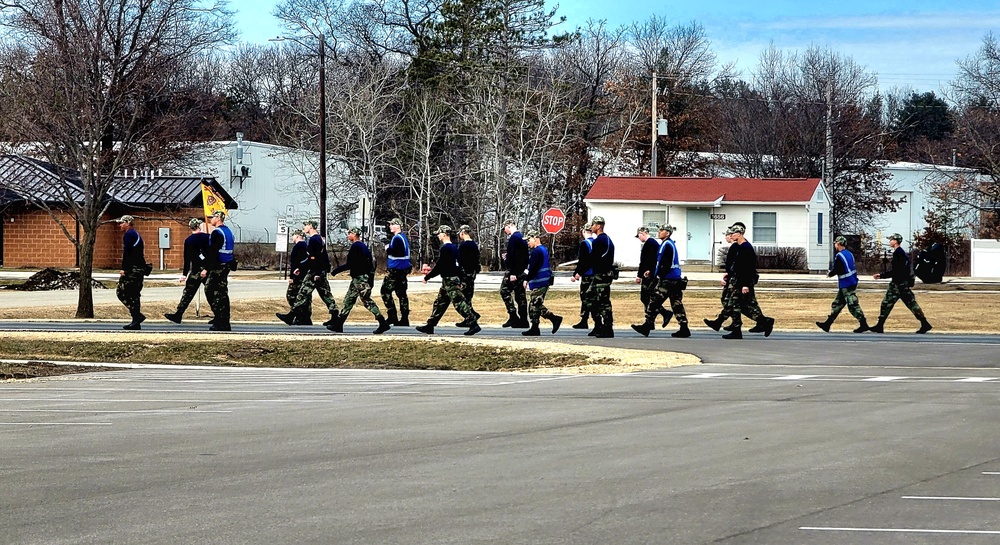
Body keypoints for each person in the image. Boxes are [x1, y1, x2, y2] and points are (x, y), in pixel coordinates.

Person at [415, 225, 481, 336]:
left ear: (444, 234)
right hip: (449, 279)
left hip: (450, 279)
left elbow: (440, 266)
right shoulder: (454, 248)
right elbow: (459, 265)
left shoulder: (446, 248)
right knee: (440, 303)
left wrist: (427, 277)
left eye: (439, 234)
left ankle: (473, 323)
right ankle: (430, 325)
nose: (438, 236)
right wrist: (462, 279)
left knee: (458, 303)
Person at [327, 228, 390, 334]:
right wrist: (370, 279)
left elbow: (350, 264)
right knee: (348, 300)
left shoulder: (356, 247)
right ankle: (339, 324)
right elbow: (371, 264)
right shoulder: (364, 247)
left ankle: (382, 322)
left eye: (349, 233)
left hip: (360, 279)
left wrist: (336, 271)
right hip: (359, 278)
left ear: (354, 234)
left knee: (366, 301)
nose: (348, 236)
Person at [631, 224, 690, 338]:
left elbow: (665, 264)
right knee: (676, 304)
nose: (659, 232)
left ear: (667, 233)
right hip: (675, 278)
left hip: (668, 279)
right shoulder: (667, 244)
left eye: (661, 230)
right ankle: (684, 327)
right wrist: (653, 272)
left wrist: (658, 275)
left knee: (653, 301)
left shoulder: (667, 245)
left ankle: (647, 326)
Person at [277, 220, 338, 327]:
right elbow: (319, 258)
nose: (304, 228)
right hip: (319, 270)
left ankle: (291, 316)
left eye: (305, 226)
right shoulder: (318, 239)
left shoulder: (314, 240)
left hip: (315, 271)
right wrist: (302, 268)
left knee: (303, 293)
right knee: (325, 294)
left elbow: (315, 258)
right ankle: (335, 316)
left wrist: (316, 273)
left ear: (311, 226)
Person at [721, 223, 774, 340]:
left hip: (742, 282)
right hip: (737, 280)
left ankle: (738, 329)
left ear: (739, 234)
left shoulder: (746, 248)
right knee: (742, 305)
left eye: (733, 233)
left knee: (736, 304)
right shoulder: (739, 247)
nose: (730, 235)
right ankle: (763, 322)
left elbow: (748, 268)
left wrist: (745, 284)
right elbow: (736, 265)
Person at [871, 233, 932, 334]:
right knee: (910, 304)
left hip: (897, 284)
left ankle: (880, 325)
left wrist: (881, 276)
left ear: (895, 241)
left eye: (891, 239)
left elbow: (896, 271)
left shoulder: (898, 254)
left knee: (887, 304)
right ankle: (924, 323)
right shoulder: (901, 253)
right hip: (902, 283)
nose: (890, 241)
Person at [816, 236, 869, 333]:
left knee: (852, 305)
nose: (835, 245)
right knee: (838, 304)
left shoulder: (840, 256)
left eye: (836, 243)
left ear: (839, 244)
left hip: (846, 283)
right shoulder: (849, 254)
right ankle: (827, 324)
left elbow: (838, 269)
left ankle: (863, 324)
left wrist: (830, 274)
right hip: (851, 281)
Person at [164, 218, 210, 324]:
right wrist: (207, 267)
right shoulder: (208, 238)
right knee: (211, 293)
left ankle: (178, 314)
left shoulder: (188, 241)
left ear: (190, 228)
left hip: (195, 270)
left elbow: (187, 258)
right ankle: (218, 315)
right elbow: (212, 253)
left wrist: (184, 274)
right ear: (200, 226)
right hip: (208, 269)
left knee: (188, 293)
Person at [522, 229, 562, 336]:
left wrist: (526, 279)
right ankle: (535, 328)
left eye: (529, 240)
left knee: (535, 304)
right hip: (543, 282)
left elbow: (534, 268)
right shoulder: (543, 249)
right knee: (534, 305)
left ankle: (554, 319)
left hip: (540, 283)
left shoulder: (536, 251)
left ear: (535, 238)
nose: (528, 242)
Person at [201, 210, 235, 331]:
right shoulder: (228, 232)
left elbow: (213, 252)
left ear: (218, 218)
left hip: (218, 266)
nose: (210, 220)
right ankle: (224, 319)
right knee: (222, 293)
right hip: (226, 265)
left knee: (210, 290)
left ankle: (220, 319)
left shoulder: (217, 233)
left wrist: (206, 268)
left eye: (212, 218)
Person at [704, 227, 742, 333]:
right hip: (733, 278)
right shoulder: (735, 247)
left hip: (736, 280)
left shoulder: (737, 247)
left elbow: (735, 265)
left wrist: (730, 278)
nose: (726, 237)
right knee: (733, 303)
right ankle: (735, 324)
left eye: (728, 235)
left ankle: (722, 323)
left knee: (731, 303)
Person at [115, 215, 148, 330]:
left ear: (128, 223)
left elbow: (127, 253)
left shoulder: (129, 235)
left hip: (133, 270)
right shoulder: (135, 234)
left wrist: (124, 268)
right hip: (138, 269)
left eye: (121, 223)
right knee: (134, 294)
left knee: (122, 292)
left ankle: (137, 316)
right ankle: (136, 320)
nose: (119, 225)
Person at [586, 216, 616, 338]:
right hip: (602, 273)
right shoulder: (607, 239)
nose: (591, 227)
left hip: (602, 275)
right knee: (591, 297)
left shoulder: (600, 241)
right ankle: (599, 325)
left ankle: (607, 327)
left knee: (603, 301)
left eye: (593, 225)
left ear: (598, 226)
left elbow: (593, 258)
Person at [380, 217, 412, 326]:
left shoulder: (397, 238)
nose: (390, 226)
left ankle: (392, 316)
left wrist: (388, 248)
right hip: (403, 269)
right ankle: (404, 318)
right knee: (402, 294)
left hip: (395, 270)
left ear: (398, 226)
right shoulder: (402, 238)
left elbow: (398, 252)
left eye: (392, 224)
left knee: (385, 291)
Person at [500, 220, 530, 328]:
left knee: (504, 291)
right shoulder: (522, 238)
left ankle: (513, 316)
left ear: (509, 226)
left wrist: (512, 272)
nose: (505, 231)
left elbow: (514, 256)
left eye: (505, 229)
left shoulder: (513, 238)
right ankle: (523, 320)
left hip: (514, 271)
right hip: (521, 271)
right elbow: (523, 256)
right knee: (520, 296)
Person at [635, 226, 664, 323]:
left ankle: (663, 313)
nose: (639, 238)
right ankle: (649, 321)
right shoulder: (651, 243)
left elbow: (647, 261)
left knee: (646, 297)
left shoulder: (650, 244)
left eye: (638, 236)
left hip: (649, 275)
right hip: (650, 273)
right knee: (648, 298)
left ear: (642, 233)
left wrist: (640, 275)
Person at [283, 229, 312, 324]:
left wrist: (292, 276)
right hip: (304, 274)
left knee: (291, 295)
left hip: (298, 276)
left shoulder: (299, 246)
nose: (292, 238)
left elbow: (296, 262)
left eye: (293, 236)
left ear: (298, 236)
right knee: (305, 296)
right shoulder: (306, 246)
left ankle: (300, 316)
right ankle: (306, 317)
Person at [455, 225, 481, 327]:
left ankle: (471, 316)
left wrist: (460, 277)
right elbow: (477, 262)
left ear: (463, 233)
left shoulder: (463, 246)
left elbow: (460, 262)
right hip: (472, 274)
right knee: (468, 297)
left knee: (463, 298)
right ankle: (470, 317)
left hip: (465, 275)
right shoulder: (474, 245)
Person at [570, 227, 595, 329]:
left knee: (585, 297)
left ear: (584, 232)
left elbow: (583, 260)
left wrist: (577, 273)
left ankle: (584, 319)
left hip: (587, 275)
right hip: (596, 274)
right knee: (594, 297)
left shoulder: (585, 244)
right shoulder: (596, 243)